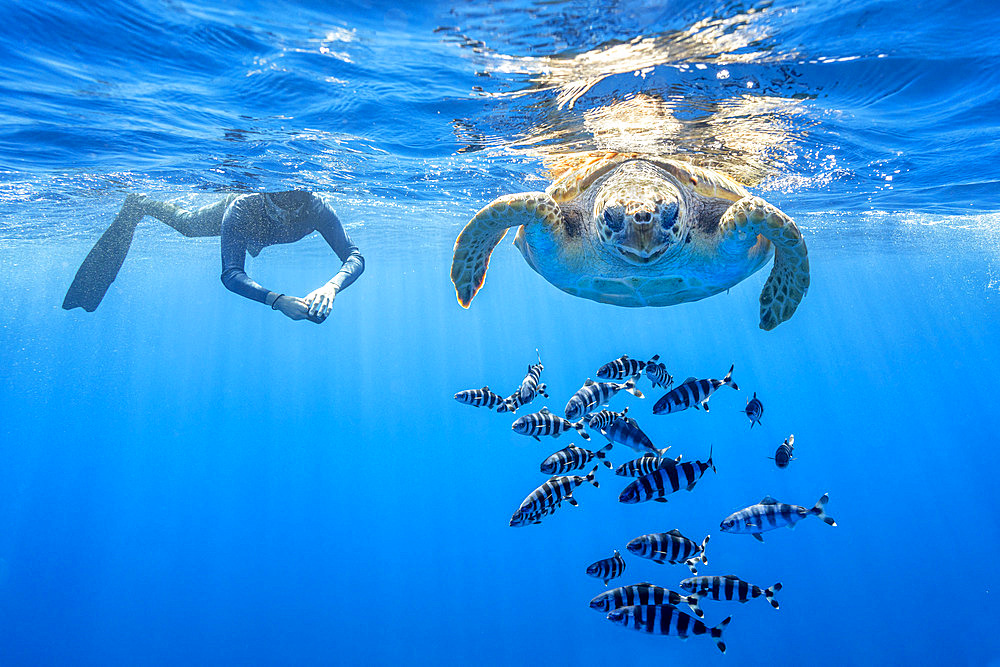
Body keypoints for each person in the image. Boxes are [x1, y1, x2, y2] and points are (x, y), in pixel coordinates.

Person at [62, 191, 364, 322]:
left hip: (258, 234)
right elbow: (231, 274)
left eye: (295, 211)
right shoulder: (244, 207)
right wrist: (277, 300)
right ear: (266, 198)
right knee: (189, 226)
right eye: (279, 210)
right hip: (231, 219)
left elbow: (353, 255)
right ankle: (140, 204)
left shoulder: (316, 207)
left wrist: (331, 287)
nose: (287, 218)